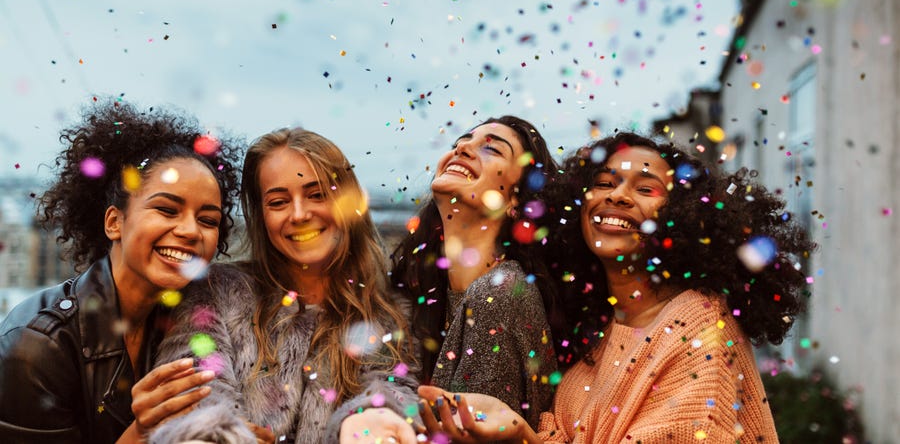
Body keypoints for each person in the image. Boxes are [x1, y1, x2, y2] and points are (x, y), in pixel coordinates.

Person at [418, 130, 815, 443]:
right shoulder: (598, 327)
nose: (618, 197)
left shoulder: (700, 329)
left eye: (645, 189)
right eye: (605, 183)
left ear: (683, 216)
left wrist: (521, 435)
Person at [150, 127, 420, 444]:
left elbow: (392, 390)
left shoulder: (389, 311)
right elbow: (196, 389)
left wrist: (372, 421)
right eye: (278, 201)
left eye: (317, 194)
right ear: (261, 215)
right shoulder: (216, 292)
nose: (299, 214)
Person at [0, 99, 243, 443]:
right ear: (114, 222)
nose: (191, 231)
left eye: (208, 220)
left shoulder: (197, 321)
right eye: (167, 209)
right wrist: (143, 431)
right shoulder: (36, 347)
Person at [390, 116, 561, 430]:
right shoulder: (425, 291)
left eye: (492, 150)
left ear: (515, 200)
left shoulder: (501, 292)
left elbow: (468, 434)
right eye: (459, 143)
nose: (463, 148)